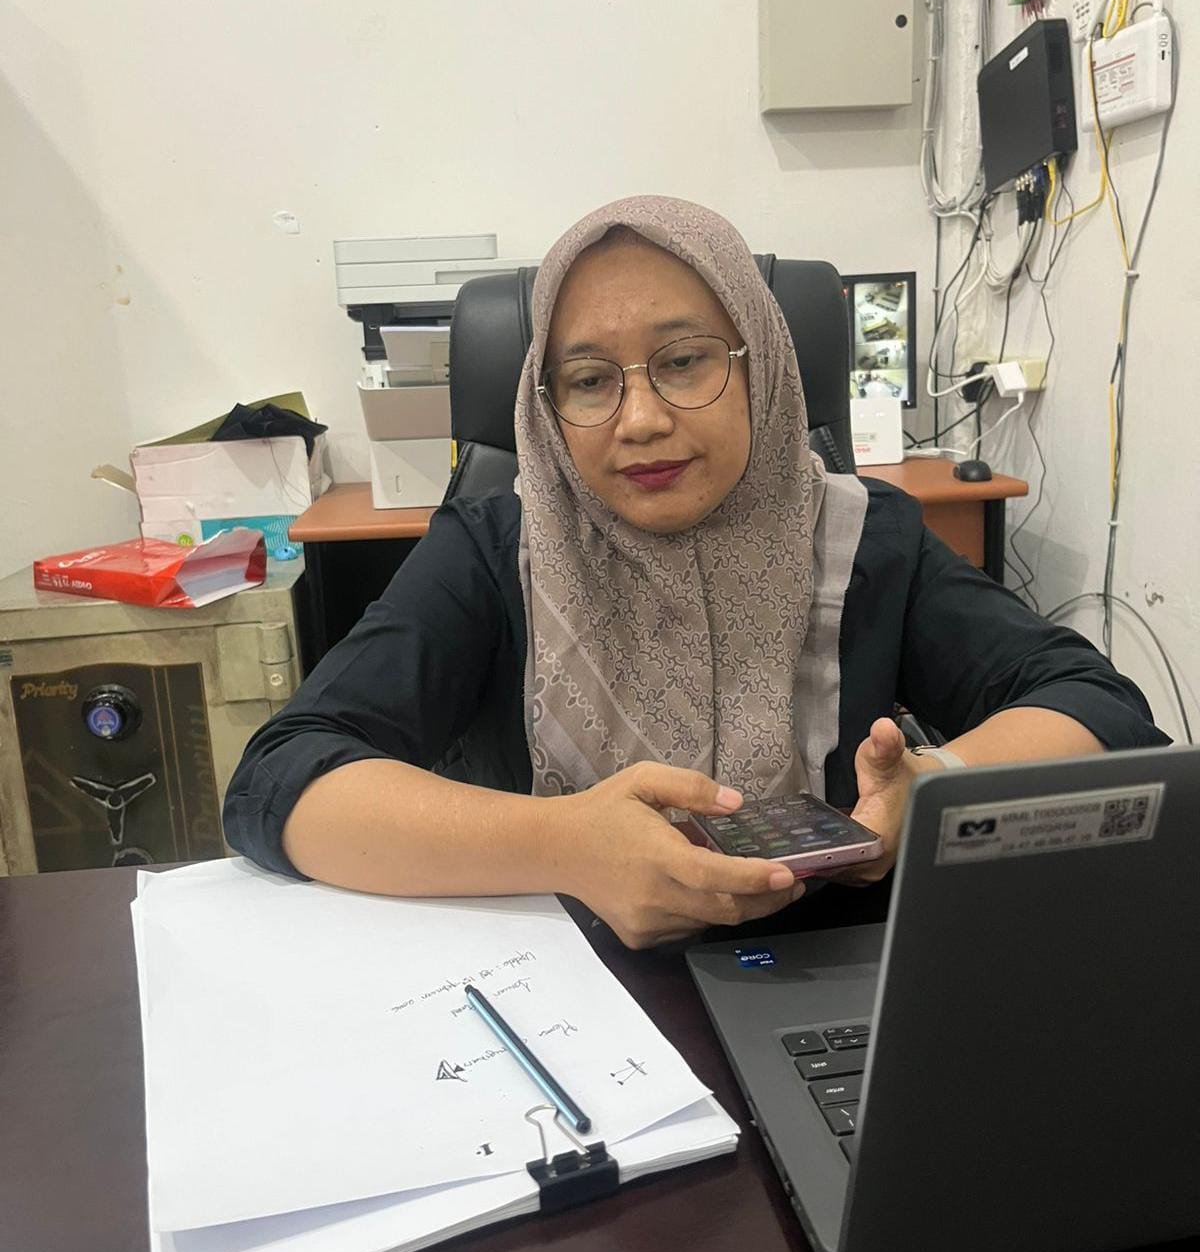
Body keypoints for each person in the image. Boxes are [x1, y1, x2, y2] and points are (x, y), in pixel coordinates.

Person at [223, 195, 1167, 949]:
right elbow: (280, 780)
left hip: (832, 984)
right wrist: (564, 845)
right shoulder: (493, 548)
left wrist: (934, 785)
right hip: (573, 992)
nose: (639, 421)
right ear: (544, 406)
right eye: (589, 381)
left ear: (764, 367)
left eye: (683, 363)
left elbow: (1101, 709)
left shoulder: (864, 538)